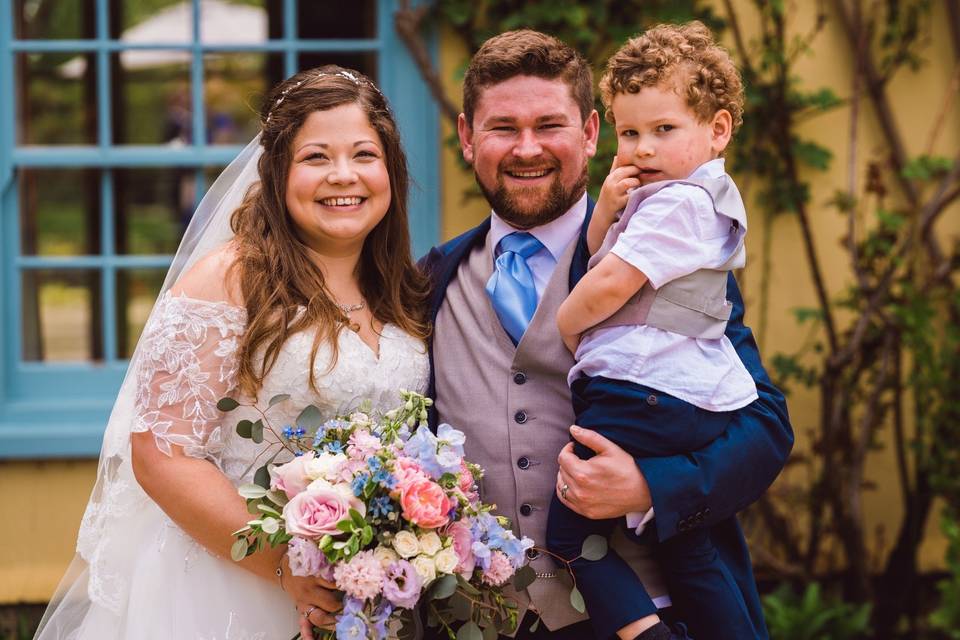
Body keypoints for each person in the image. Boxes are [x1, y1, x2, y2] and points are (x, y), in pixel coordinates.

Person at [419, 29, 793, 640]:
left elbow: (766, 427)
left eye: (550, 125)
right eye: (502, 128)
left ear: (591, 133)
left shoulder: (673, 255)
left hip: (650, 612)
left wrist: (651, 486)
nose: (526, 148)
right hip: (475, 622)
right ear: (467, 137)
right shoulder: (430, 280)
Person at [34, 65, 430, 640]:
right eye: (316, 157)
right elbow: (160, 454)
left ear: (389, 169)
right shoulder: (226, 281)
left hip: (370, 592)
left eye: (364, 155)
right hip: (235, 585)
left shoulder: (399, 287)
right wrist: (284, 567)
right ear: (277, 172)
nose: (343, 176)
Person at [547, 22, 762, 640]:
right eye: (631, 131)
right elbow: (600, 258)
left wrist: (567, 325)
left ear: (716, 130)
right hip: (679, 395)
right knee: (688, 549)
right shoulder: (667, 197)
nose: (642, 148)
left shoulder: (682, 202)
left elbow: (610, 283)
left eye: (664, 130)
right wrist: (608, 210)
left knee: (568, 536)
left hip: (641, 391)